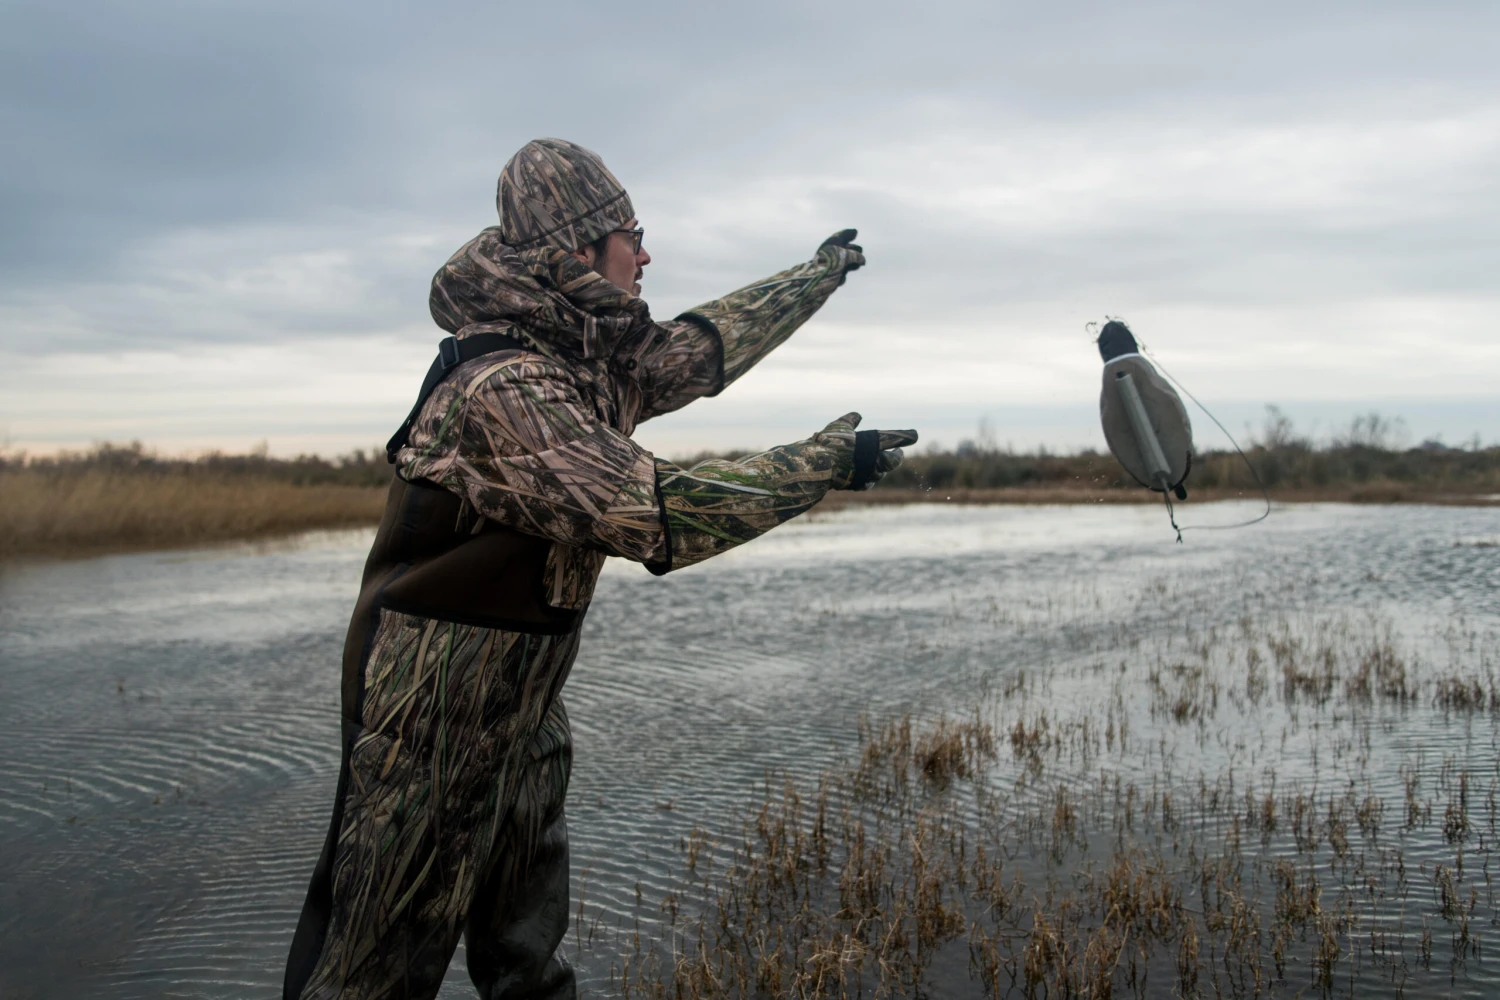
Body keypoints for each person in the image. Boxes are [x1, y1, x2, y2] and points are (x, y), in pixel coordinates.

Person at [282, 137, 916, 1000]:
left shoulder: (584, 360)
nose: (646, 252)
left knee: (529, 963)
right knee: (371, 974)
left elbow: (699, 350)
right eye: (632, 233)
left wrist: (815, 275)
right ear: (578, 252)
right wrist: (825, 463)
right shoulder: (508, 390)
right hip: (426, 726)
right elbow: (655, 511)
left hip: (523, 707)